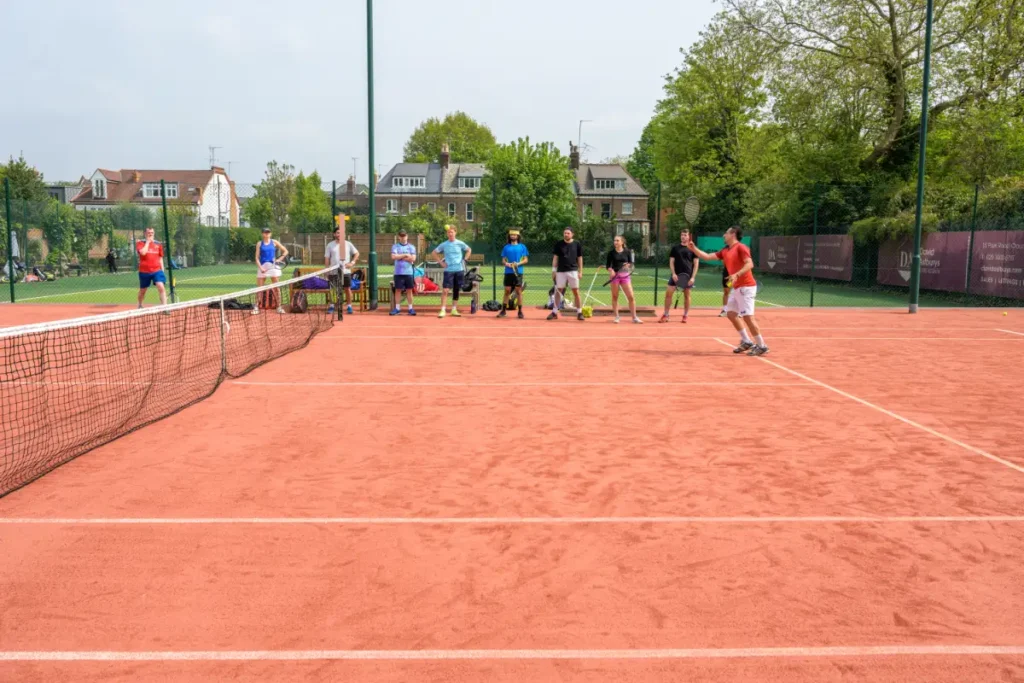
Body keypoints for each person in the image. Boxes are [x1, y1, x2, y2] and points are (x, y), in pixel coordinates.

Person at [688, 226, 768, 356]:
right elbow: (707, 256)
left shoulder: (741, 247)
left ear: (733, 234)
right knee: (731, 313)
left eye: (726, 233)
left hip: (746, 287)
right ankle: (747, 341)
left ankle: (762, 345)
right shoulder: (726, 250)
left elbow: (750, 264)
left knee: (748, 317)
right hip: (736, 287)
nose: (724, 235)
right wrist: (694, 248)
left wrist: (737, 274)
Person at [660, 228, 699, 323]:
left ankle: (685, 315)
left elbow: (696, 264)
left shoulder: (693, 249)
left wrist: (693, 277)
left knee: (687, 296)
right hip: (675, 276)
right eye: (682, 235)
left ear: (689, 236)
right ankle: (666, 314)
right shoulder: (675, 248)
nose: (683, 237)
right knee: (668, 294)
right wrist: (673, 274)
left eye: (685, 235)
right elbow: (671, 262)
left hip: (687, 276)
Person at [432, 225, 472, 318]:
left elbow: (469, 250)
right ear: (447, 234)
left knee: (456, 290)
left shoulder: (460, 243)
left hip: (459, 270)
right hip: (448, 271)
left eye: (452, 232)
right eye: (448, 232)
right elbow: (434, 253)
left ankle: (454, 309)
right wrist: (441, 263)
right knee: (445, 290)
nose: (450, 234)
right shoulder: (444, 244)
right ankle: (443, 310)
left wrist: (465, 259)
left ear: (455, 232)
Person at [548, 227, 585, 321]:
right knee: (558, 291)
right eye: (564, 233)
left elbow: (580, 258)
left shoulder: (577, 244)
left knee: (576, 291)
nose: (566, 234)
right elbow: (555, 258)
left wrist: (580, 271)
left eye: (568, 233)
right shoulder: (559, 244)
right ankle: (554, 312)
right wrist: (553, 270)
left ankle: (579, 312)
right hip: (561, 271)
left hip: (573, 270)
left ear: (572, 234)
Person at [605, 235, 642, 324]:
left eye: (617, 240)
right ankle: (617, 317)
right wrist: (611, 270)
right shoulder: (611, 253)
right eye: (614, 240)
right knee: (615, 296)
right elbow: (607, 266)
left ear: (622, 242)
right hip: (615, 277)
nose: (615, 242)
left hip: (625, 275)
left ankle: (634, 317)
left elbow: (631, 263)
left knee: (631, 297)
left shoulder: (627, 252)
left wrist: (628, 265)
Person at [324, 227, 359, 315]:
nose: (339, 235)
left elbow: (356, 253)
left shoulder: (348, 244)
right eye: (338, 233)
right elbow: (327, 258)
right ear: (334, 234)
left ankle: (349, 306)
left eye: (341, 233)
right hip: (333, 271)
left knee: (347, 289)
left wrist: (352, 262)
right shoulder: (330, 245)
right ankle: (332, 306)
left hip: (345, 271)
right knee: (333, 289)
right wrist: (327, 270)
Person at [499, 228, 529, 319]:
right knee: (507, 290)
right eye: (511, 235)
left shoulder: (522, 247)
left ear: (518, 236)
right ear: (509, 236)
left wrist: (518, 264)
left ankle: (520, 311)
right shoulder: (506, 247)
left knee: (518, 291)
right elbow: (503, 260)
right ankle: (503, 311)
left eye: (515, 235)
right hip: (508, 272)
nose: (513, 236)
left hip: (518, 272)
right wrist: (507, 264)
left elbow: (526, 260)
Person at [136, 227, 167, 308]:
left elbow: (160, 258)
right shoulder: (140, 243)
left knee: (161, 286)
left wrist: (162, 270)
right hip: (144, 271)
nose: (150, 234)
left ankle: (165, 307)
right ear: (145, 234)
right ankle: (140, 304)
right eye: (149, 233)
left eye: (152, 233)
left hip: (157, 270)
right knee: (143, 291)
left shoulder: (158, 244)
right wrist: (147, 243)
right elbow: (143, 253)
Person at [390, 230, 417, 316]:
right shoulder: (395, 246)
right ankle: (397, 308)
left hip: (409, 272)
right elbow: (393, 257)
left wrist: (400, 257)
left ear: (407, 236)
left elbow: (413, 259)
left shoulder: (411, 247)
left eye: (404, 236)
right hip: (398, 273)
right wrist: (405, 255)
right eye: (401, 236)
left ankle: (410, 308)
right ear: (399, 237)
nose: (403, 237)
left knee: (409, 290)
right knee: (398, 290)